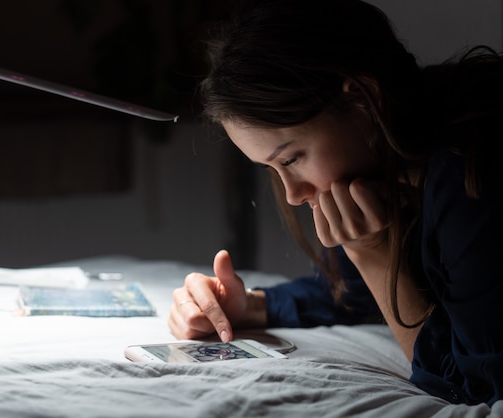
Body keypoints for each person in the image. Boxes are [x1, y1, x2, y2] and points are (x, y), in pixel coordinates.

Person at [167, 0, 503, 407]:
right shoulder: (391, 165)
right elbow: (355, 294)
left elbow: (475, 391)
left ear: (362, 97)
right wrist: (249, 305)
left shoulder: (467, 175)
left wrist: (372, 255)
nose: (292, 193)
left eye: (291, 159)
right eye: (273, 170)